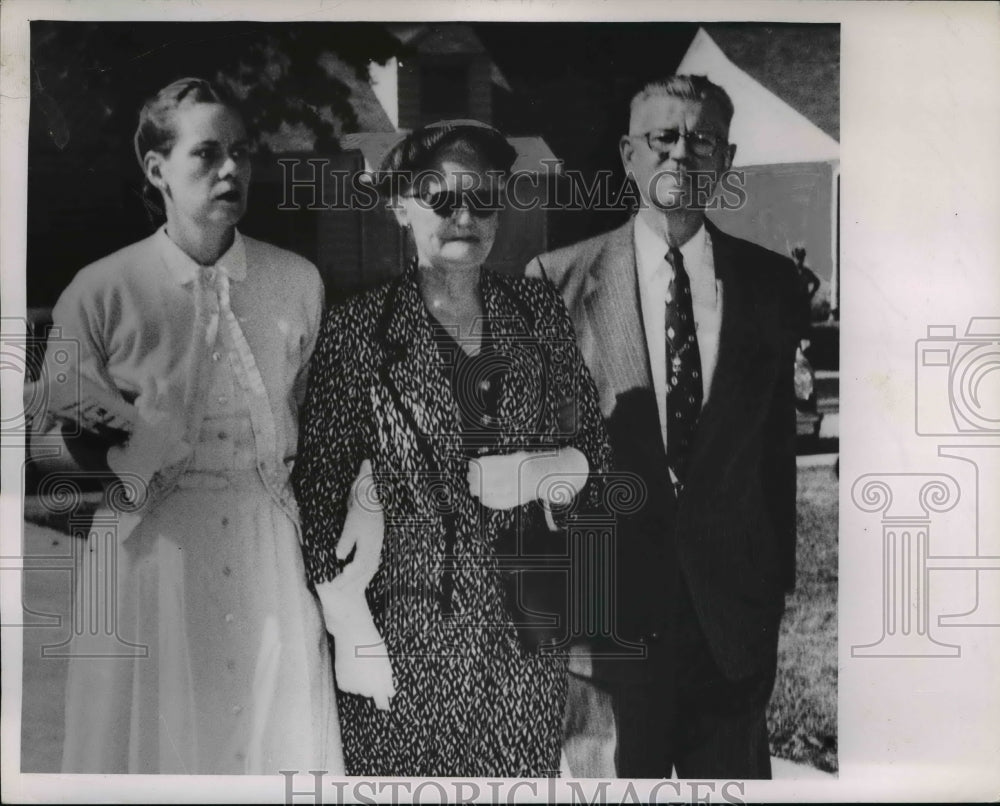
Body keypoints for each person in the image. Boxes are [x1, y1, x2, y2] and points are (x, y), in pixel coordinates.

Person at [38, 78, 343, 774]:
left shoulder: (296, 280)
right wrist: (125, 444)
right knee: (161, 741)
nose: (232, 169)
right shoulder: (102, 289)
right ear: (157, 169)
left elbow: (315, 423)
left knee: (274, 740)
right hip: (152, 554)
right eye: (207, 154)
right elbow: (54, 443)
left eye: (241, 152)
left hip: (269, 547)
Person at [292, 119, 611, 777]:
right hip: (403, 644)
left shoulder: (536, 312)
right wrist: (350, 627)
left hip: (524, 642)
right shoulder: (359, 330)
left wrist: (540, 469)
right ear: (400, 206)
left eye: (483, 199)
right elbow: (317, 493)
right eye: (441, 199)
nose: (465, 216)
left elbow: (594, 453)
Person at [526, 75, 799, 779]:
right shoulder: (555, 282)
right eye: (663, 138)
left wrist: (768, 593)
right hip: (605, 624)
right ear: (628, 154)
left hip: (728, 628)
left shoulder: (770, 287)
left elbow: (774, 457)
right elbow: (527, 461)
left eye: (702, 139)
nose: (683, 154)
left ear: (726, 160)